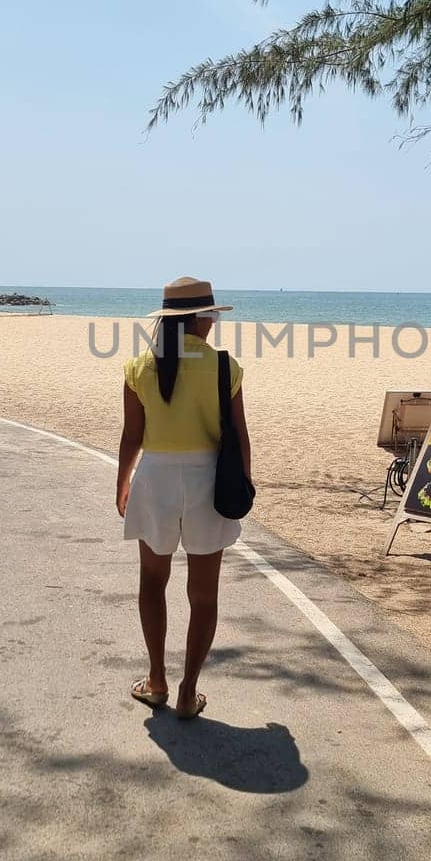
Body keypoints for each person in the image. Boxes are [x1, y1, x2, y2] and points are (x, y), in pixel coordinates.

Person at [116, 276, 252, 720]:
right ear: (200, 320)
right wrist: (244, 485)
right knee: (204, 595)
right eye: (211, 315)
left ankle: (156, 680)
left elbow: (131, 436)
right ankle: (188, 692)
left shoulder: (139, 368)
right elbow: (241, 440)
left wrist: (123, 483)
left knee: (152, 582)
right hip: (207, 483)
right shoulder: (223, 368)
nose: (213, 322)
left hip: (155, 479)